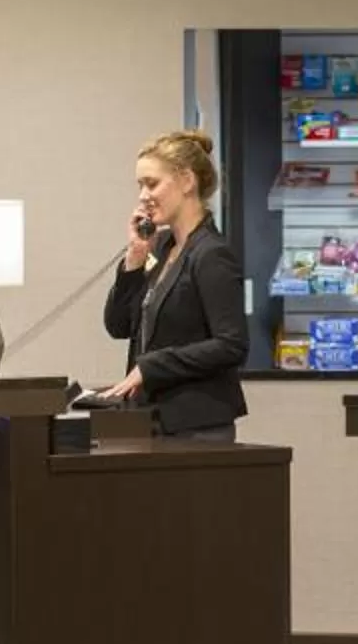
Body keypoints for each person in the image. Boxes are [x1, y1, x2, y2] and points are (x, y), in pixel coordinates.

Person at [95, 128, 249, 438]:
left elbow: (231, 344)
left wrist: (151, 367)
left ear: (187, 182)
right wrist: (135, 260)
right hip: (153, 419)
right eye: (140, 185)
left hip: (195, 424)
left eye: (152, 184)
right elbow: (118, 326)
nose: (143, 196)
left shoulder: (211, 254)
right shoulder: (162, 247)